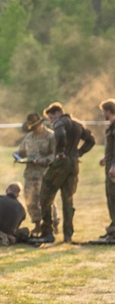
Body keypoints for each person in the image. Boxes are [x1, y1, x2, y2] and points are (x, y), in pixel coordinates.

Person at [37, 102, 95, 243]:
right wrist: (78, 153)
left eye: (51, 118)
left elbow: (60, 134)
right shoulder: (77, 124)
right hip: (73, 164)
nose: (51, 121)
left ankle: (48, 232)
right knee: (68, 199)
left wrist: (61, 152)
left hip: (61, 163)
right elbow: (91, 141)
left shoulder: (60, 122)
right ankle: (68, 235)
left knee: (45, 195)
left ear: (57, 113)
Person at [15, 113, 56, 236]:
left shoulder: (50, 137)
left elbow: (55, 154)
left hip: (44, 173)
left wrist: (44, 160)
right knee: (30, 200)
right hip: (30, 174)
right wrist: (17, 156)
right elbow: (22, 152)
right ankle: (37, 224)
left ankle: (51, 224)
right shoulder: (28, 138)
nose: (34, 129)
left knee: (45, 200)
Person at [98, 99, 115, 240]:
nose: (102, 113)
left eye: (103, 110)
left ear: (108, 111)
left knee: (113, 197)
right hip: (110, 165)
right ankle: (113, 228)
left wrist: (114, 165)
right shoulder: (111, 126)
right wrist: (106, 159)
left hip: (114, 169)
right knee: (110, 197)